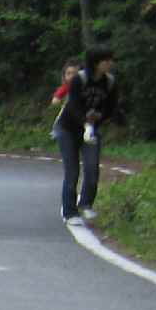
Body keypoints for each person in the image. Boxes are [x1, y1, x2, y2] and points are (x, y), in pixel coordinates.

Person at [54, 45, 120, 223]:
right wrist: (85, 121)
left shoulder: (110, 82)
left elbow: (111, 107)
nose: (110, 63)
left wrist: (99, 118)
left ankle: (86, 204)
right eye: (106, 60)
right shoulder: (79, 80)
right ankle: (70, 212)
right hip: (68, 128)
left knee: (92, 168)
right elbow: (73, 105)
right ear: (97, 63)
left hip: (91, 128)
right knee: (72, 170)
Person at [49, 59, 78, 139]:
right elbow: (55, 100)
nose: (72, 76)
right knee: (62, 115)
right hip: (68, 112)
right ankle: (57, 130)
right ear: (64, 76)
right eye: (69, 74)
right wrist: (58, 100)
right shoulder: (66, 87)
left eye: (75, 73)